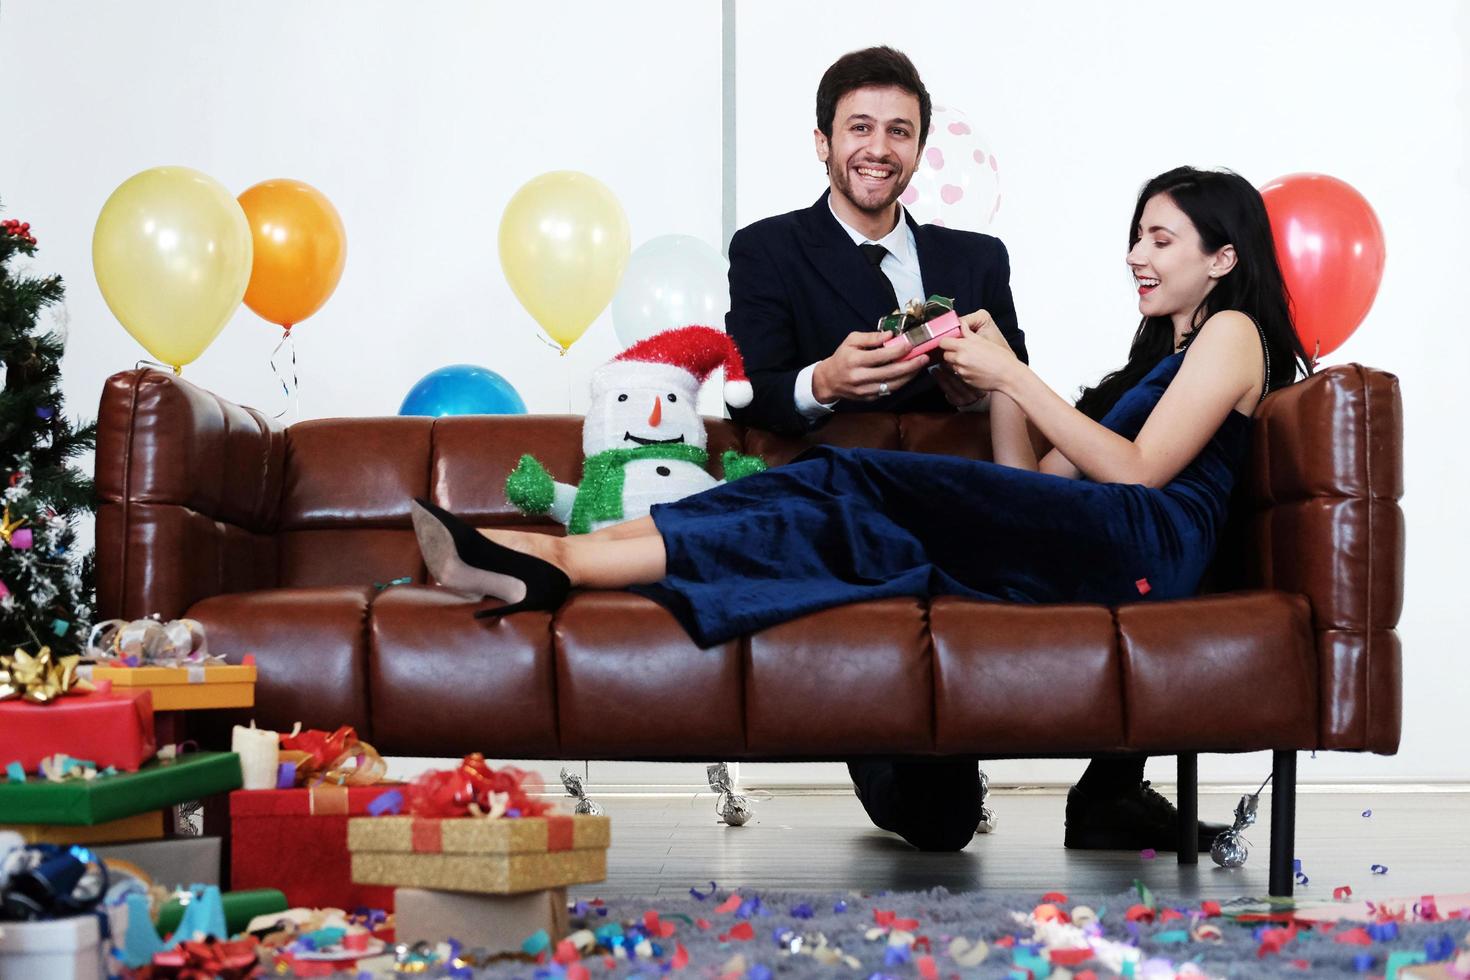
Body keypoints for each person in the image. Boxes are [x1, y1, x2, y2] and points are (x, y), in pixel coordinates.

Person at [411, 165, 1310, 854]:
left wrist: (1016, 375)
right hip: (1102, 536)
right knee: (834, 482)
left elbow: (1141, 475)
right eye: (1136, 237)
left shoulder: (1234, 334)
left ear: (1222, 258)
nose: (1136, 257)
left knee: (850, 481)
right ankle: (570, 560)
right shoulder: (1166, 351)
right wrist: (990, 371)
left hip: (1145, 547)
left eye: (1159, 240)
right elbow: (1038, 486)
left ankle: (568, 562)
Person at [724, 46, 1026, 436]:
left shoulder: (980, 258)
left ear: (918, 153)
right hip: (831, 487)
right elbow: (747, 399)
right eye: (860, 128)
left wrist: (979, 396)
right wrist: (823, 382)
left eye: (899, 132)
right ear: (823, 143)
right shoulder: (766, 249)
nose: (880, 150)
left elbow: (1024, 396)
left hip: (953, 485)